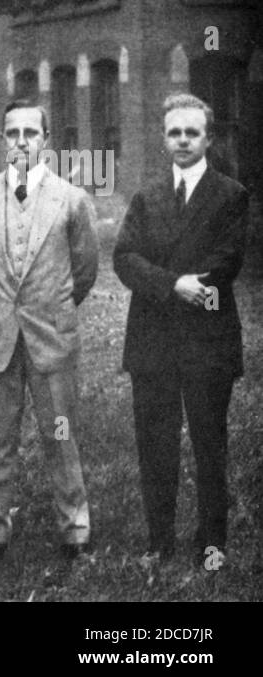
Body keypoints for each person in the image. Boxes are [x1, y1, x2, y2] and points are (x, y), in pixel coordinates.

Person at [113, 93, 250, 570]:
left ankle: (212, 543)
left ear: (208, 138)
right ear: (163, 138)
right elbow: (125, 258)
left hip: (207, 340)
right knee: (156, 445)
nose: (183, 141)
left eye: (193, 132)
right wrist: (172, 284)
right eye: (175, 132)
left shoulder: (230, 195)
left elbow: (227, 259)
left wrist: (193, 283)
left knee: (210, 444)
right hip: (153, 341)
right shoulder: (146, 198)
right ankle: (159, 542)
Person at [0, 100, 98, 566]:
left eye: (30, 133)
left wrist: (51, 308)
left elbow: (84, 271)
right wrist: (0, 307)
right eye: (12, 133)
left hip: (50, 336)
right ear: (3, 139)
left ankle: (74, 525)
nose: (21, 141)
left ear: (46, 140)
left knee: (59, 432)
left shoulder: (71, 199)